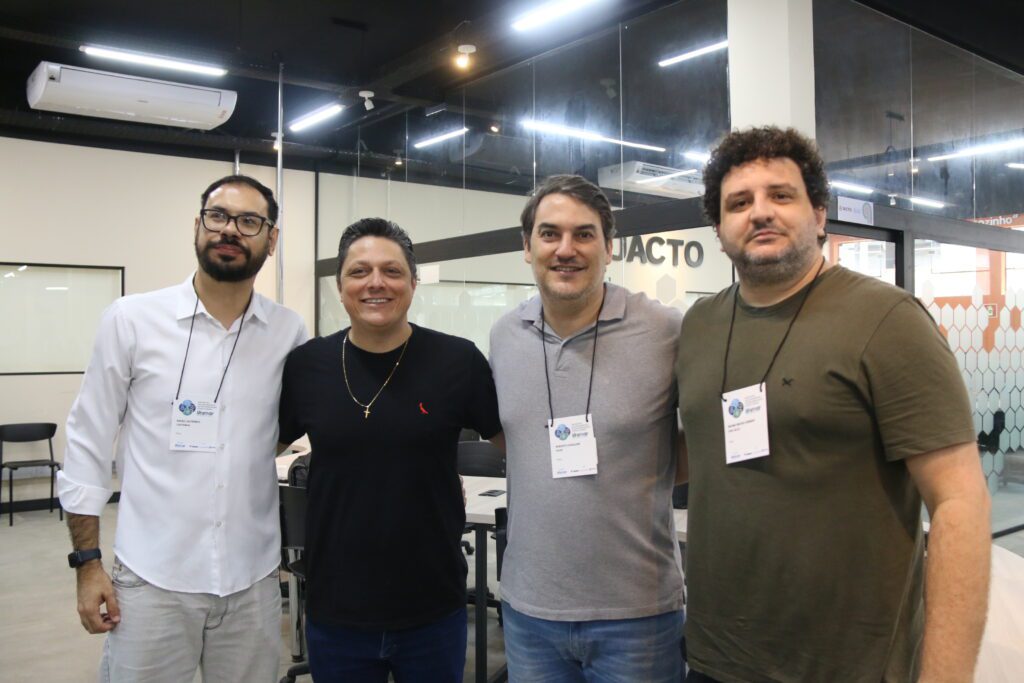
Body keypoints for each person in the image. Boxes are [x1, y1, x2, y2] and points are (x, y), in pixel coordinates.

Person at [676, 126, 991, 682]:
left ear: (819, 214)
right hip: (714, 658)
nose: (760, 212)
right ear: (719, 230)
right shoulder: (699, 325)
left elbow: (959, 503)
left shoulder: (888, 321)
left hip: (849, 666)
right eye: (739, 203)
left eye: (781, 195)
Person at [58, 175, 307, 681]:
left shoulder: (289, 332)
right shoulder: (132, 320)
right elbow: (87, 443)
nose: (230, 230)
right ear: (197, 226)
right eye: (218, 216)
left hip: (252, 582)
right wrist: (87, 563)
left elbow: (284, 429)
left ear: (271, 240)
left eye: (249, 221)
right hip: (152, 581)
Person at [278, 218, 502, 682]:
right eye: (359, 272)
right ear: (340, 286)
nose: (376, 283)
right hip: (336, 609)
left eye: (392, 271)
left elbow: (516, 448)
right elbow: (254, 453)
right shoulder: (306, 366)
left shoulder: (458, 361)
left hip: (432, 607)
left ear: (413, 283)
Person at [489, 175, 686, 681]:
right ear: (527, 247)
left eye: (584, 234)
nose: (565, 249)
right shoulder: (504, 335)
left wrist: (643, 471)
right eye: (549, 234)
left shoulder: (665, 331)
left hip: (638, 616)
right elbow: (515, 440)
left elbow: (701, 443)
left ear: (609, 248)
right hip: (529, 611)